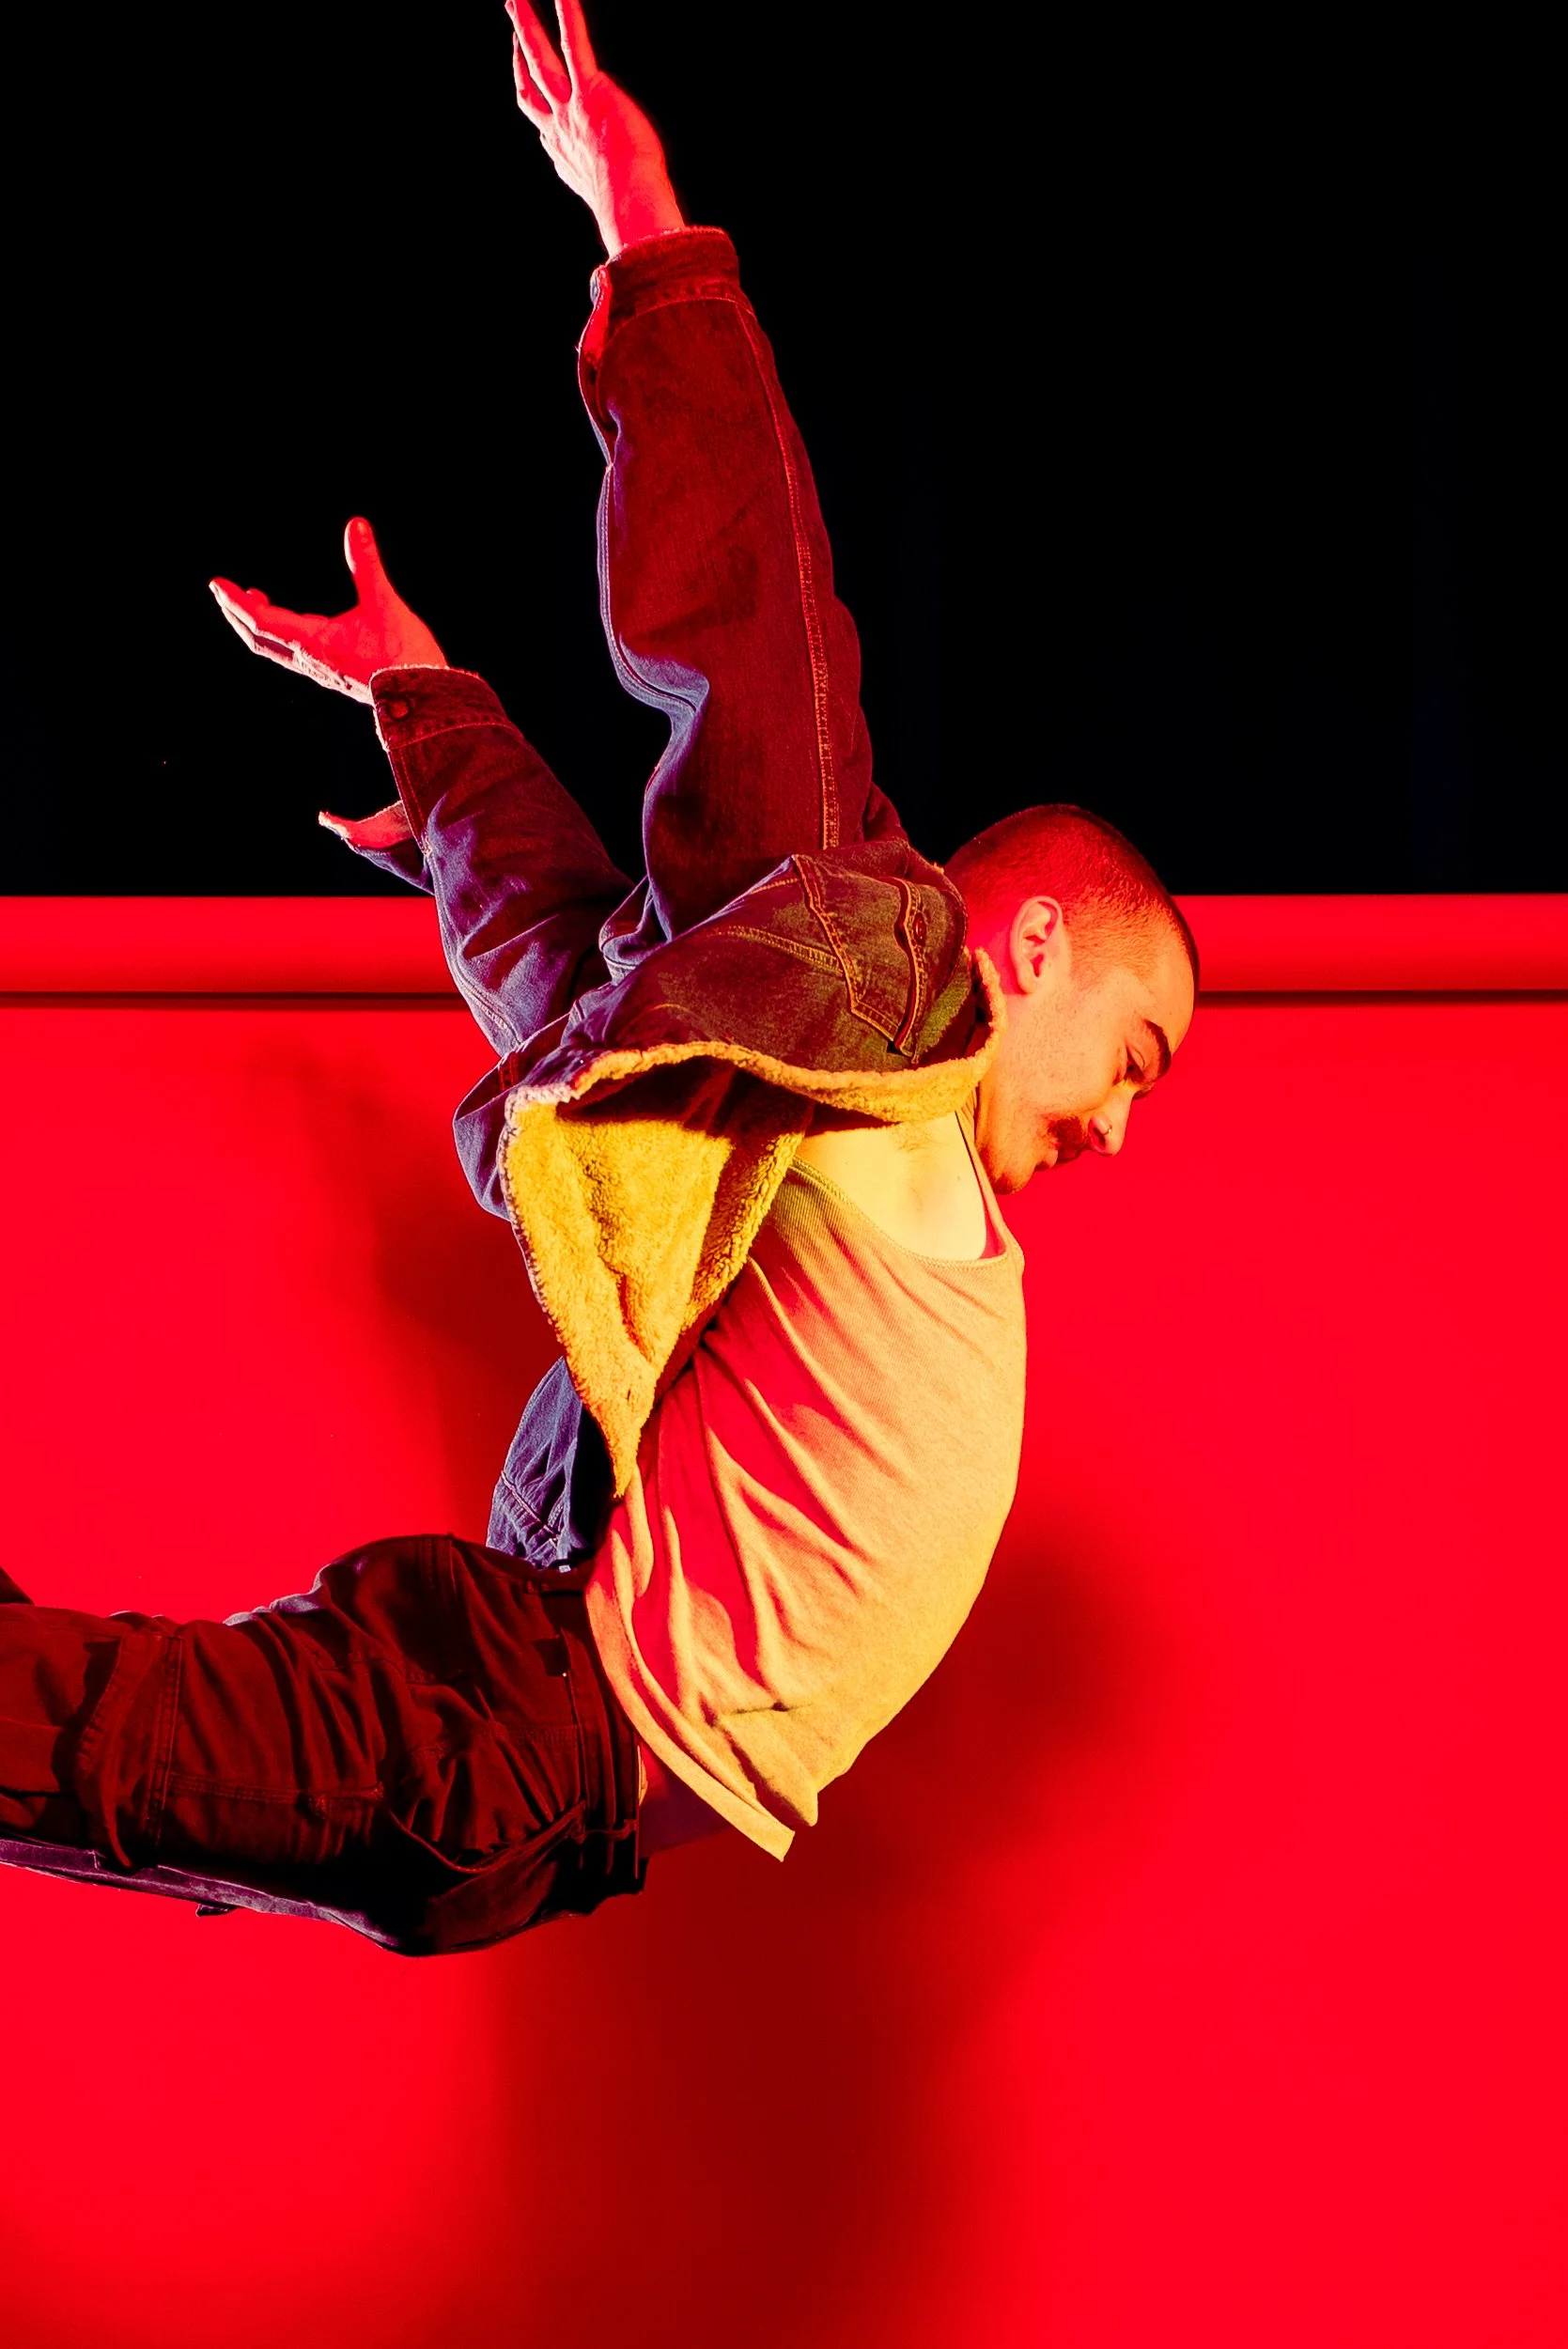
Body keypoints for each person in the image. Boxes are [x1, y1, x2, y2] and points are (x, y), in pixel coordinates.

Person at [0, 2, 1196, 1954]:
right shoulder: (897, 994)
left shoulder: (835, 1116)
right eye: (1135, 1052)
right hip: (515, 1728)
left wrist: (435, 717)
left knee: (98, 1770)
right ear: (1035, 943)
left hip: (529, 1789)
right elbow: (768, 667)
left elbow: (591, 988)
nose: (1125, 1121)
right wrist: (652, 245)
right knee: (85, 1745)